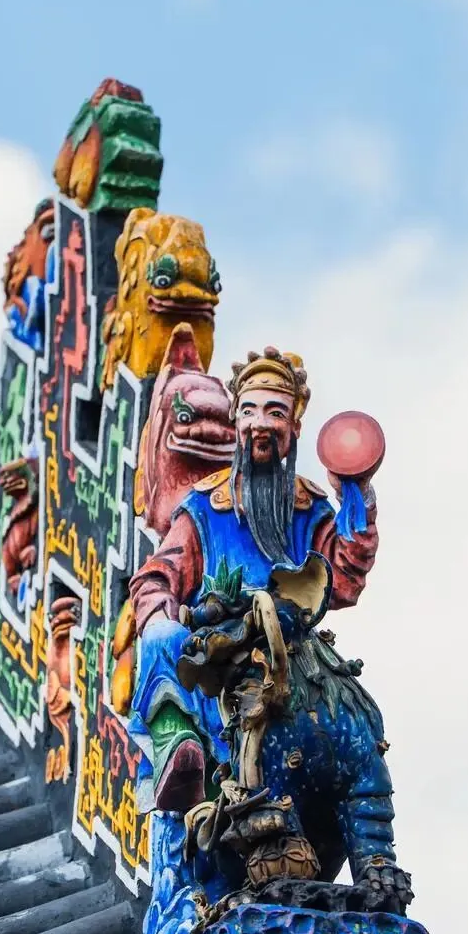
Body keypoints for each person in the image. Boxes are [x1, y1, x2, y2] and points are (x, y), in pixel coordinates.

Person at [129, 346, 379, 812]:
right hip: (214, 654)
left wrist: (356, 496)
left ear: (294, 427)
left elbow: (344, 579)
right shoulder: (204, 507)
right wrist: (168, 617)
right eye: (248, 411)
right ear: (236, 422)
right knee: (161, 638)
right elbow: (155, 579)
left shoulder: (308, 507)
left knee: (357, 734)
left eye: (275, 412)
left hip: (291, 654)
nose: (260, 423)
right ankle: (176, 749)